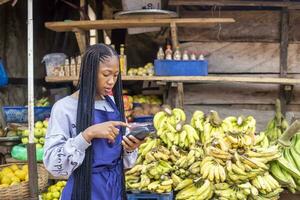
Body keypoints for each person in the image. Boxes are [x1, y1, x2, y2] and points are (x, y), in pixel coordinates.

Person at [43, 44, 144, 200]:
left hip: (114, 190)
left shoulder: (113, 104)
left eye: (116, 75)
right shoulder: (65, 108)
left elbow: (123, 162)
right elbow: (54, 165)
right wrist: (87, 135)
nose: (112, 81)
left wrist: (130, 148)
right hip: (84, 192)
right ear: (89, 73)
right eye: (106, 74)